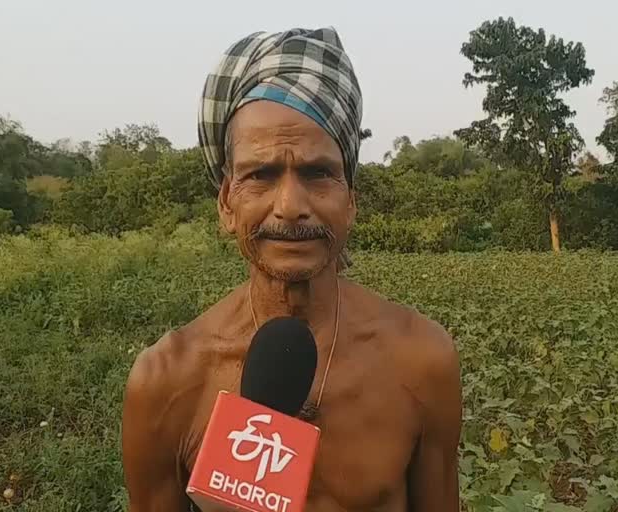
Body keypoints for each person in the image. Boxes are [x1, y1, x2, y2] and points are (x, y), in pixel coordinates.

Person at [121, 27, 462, 512]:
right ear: (226, 203)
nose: (290, 206)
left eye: (317, 173)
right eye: (260, 175)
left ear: (351, 201)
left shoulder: (421, 361)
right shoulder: (166, 382)